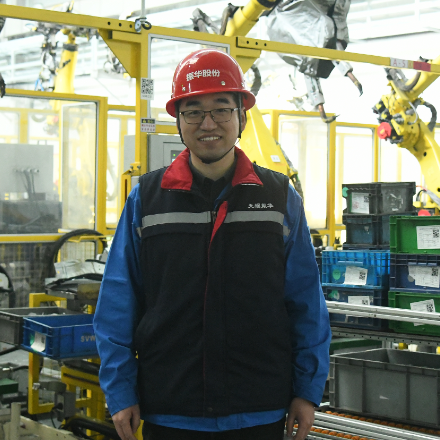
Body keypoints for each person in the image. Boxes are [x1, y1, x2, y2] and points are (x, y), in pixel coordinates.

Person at [94, 48, 331, 440]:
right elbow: (118, 301)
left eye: (221, 109)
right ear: (178, 120)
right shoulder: (147, 199)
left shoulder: (278, 197)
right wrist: (120, 391)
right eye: (193, 111)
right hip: (171, 406)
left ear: (241, 116)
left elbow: (306, 301)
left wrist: (307, 390)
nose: (208, 123)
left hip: (258, 405)